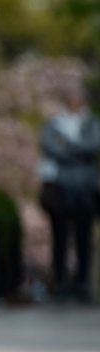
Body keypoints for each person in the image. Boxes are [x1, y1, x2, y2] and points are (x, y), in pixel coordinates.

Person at [38, 84, 100, 302]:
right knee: (60, 237)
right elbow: (48, 146)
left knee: (84, 237)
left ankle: (83, 282)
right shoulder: (54, 123)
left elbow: (93, 144)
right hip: (60, 188)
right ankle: (60, 281)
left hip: (85, 188)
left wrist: (66, 146)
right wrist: (78, 151)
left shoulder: (91, 123)